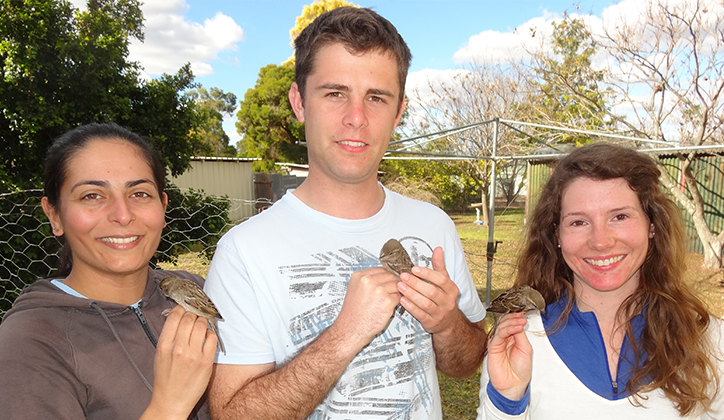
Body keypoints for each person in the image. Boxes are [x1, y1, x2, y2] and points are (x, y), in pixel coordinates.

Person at [204, 7, 488, 420]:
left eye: (376, 97)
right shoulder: (242, 252)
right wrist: (345, 334)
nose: (357, 118)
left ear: (398, 112)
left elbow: (466, 362)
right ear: (300, 102)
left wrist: (447, 324)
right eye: (335, 93)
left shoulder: (434, 225)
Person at [478, 143, 724, 419]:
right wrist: (508, 401)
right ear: (556, 235)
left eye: (619, 216)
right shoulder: (519, 339)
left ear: (652, 225)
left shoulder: (710, 340)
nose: (600, 241)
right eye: (579, 222)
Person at [0, 123, 217, 419]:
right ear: (54, 214)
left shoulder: (196, 288)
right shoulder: (29, 341)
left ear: (163, 207)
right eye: (92, 195)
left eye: (139, 193)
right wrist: (169, 407)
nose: (123, 215)